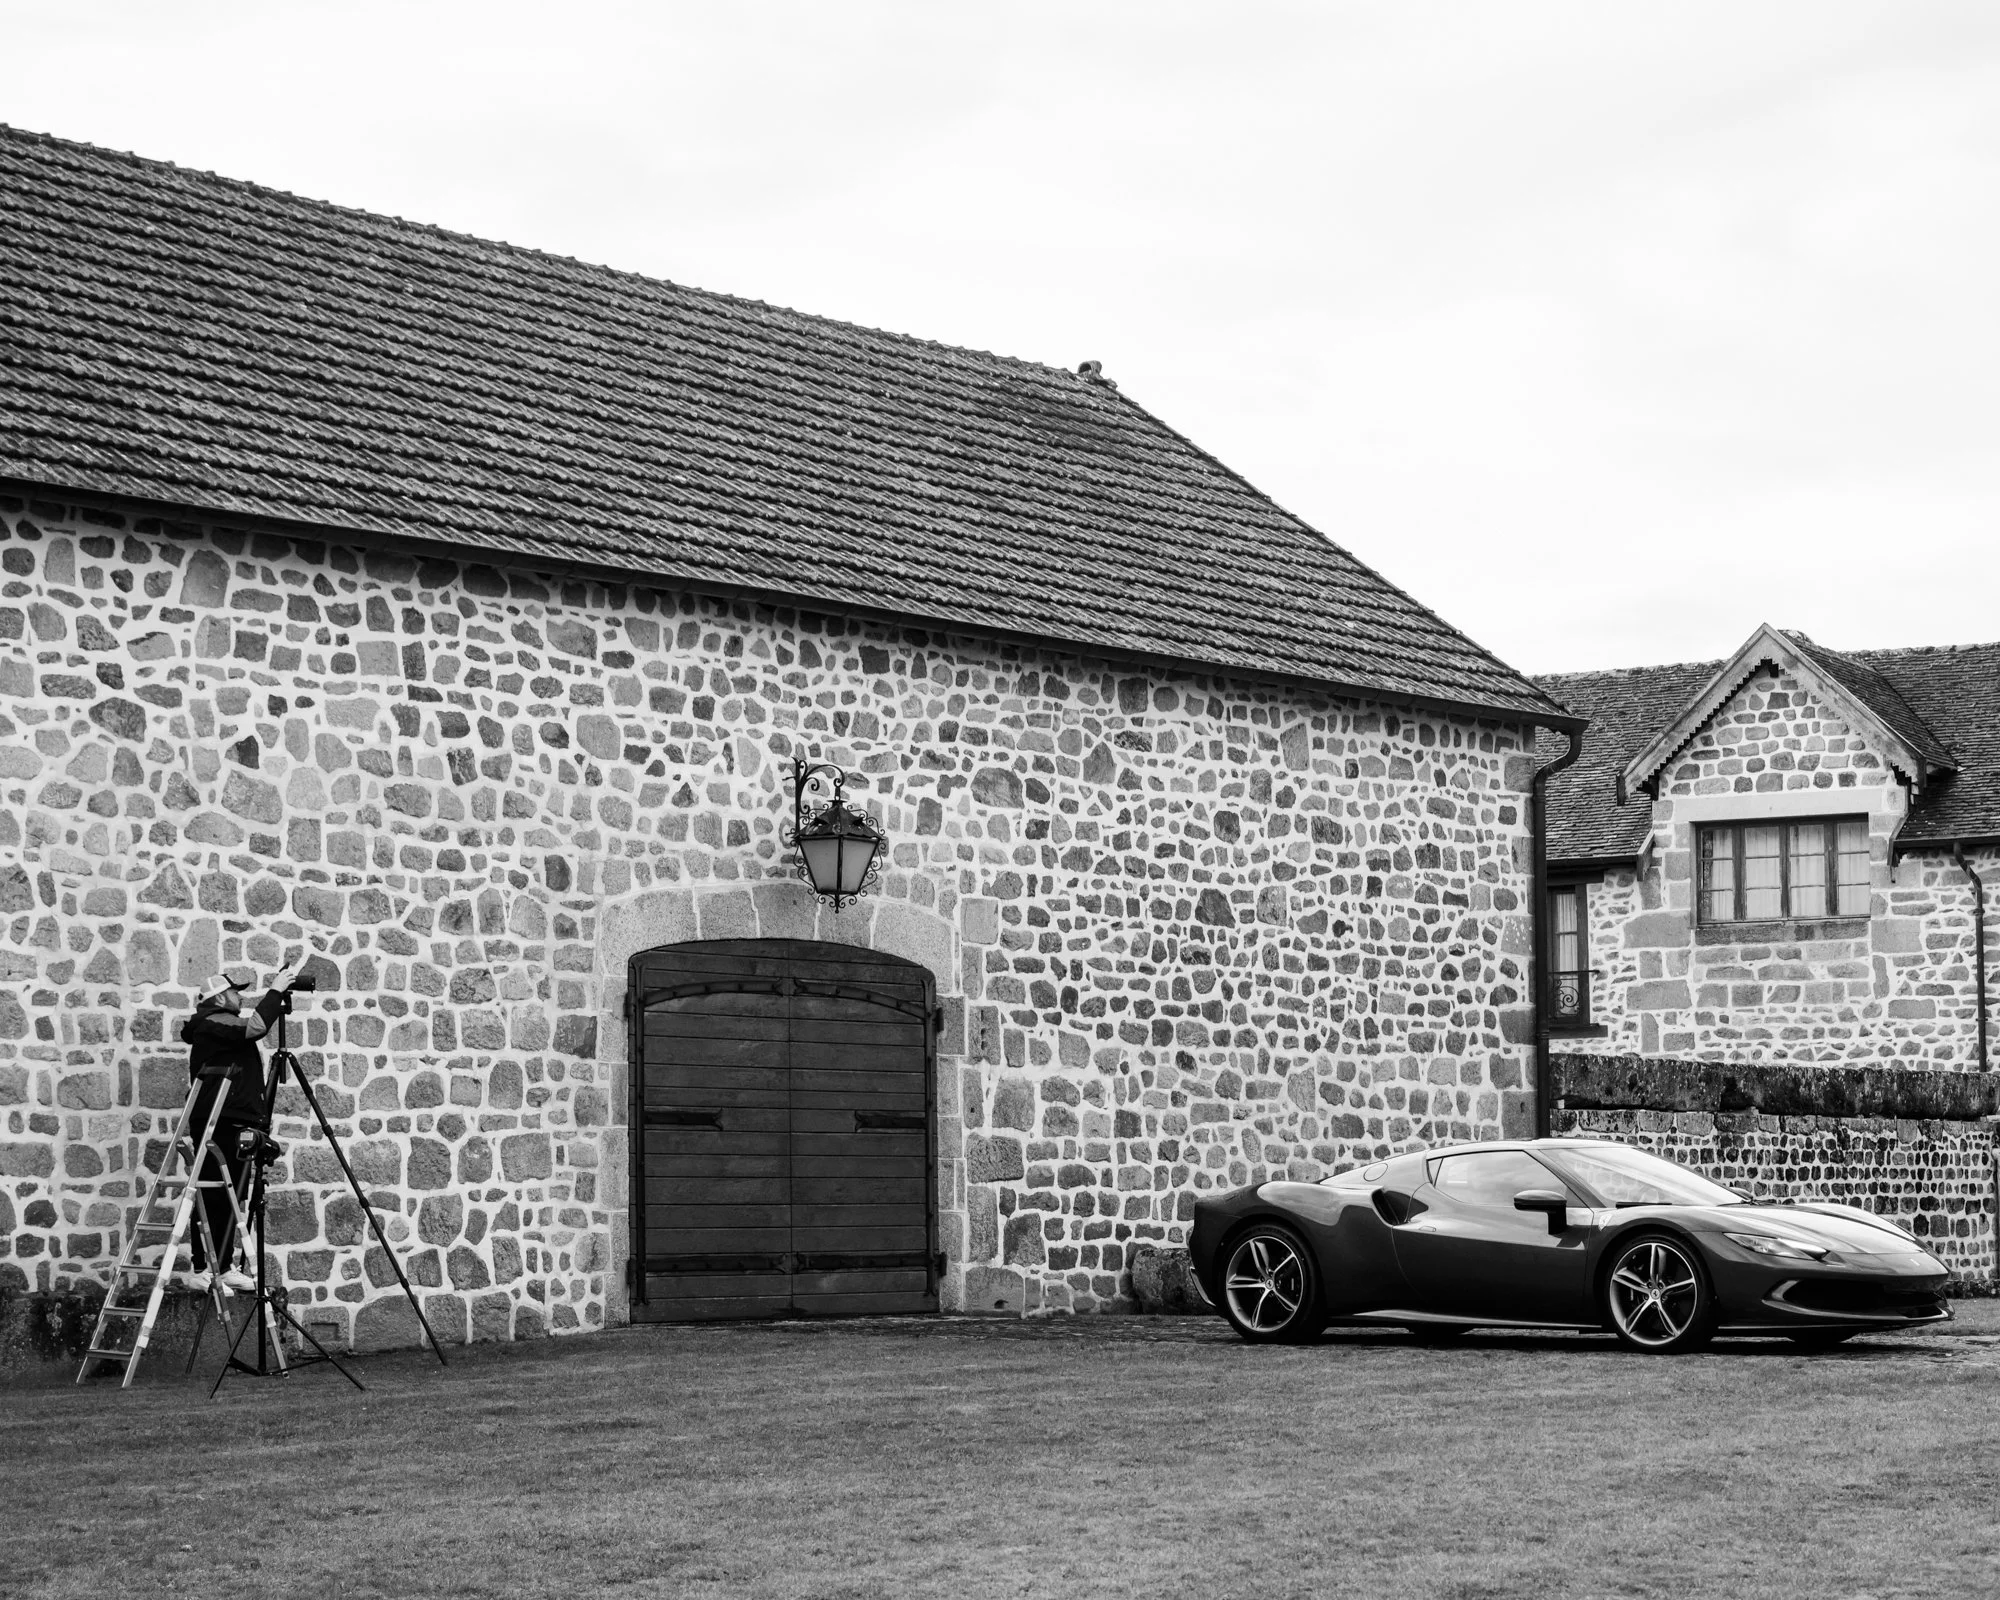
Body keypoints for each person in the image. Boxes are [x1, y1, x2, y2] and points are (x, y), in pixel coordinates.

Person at [176, 968, 292, 1292]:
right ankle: (202, 1269)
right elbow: (255, 1027)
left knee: (231, 1194)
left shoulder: (218, 1026)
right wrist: (276, 991)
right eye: (235, 993)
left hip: (232, 1117)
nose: (240, 997)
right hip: (218, 1118)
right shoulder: (214, 1021)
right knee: (213, 1194)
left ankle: (223, 1267)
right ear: (221, 997)